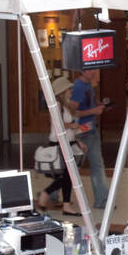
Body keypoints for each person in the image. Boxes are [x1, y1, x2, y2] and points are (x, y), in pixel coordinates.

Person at [35, 75, 80, 217]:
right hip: (60, 145)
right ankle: (47, 195)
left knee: (67, 176)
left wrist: (77, 141)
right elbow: (58, 125)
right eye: (68, 89)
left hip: (66, 143)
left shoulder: (64, 105)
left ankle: (64, 204)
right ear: (63, 91)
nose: (71, 91)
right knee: (67, 176)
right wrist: (72, 125)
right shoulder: (57, 105)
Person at [70, 67, 109, 211]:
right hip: (82, 132)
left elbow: (87, 103)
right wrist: (93, 111)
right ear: (82, 71)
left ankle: (103, 200)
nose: (94, 72)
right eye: (91, 69)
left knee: (97, 165)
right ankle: (52, 194)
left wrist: (97, 104)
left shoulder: (88, 86)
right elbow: (73, 112)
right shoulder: (79, 87)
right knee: (72, 167)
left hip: (91, 130)